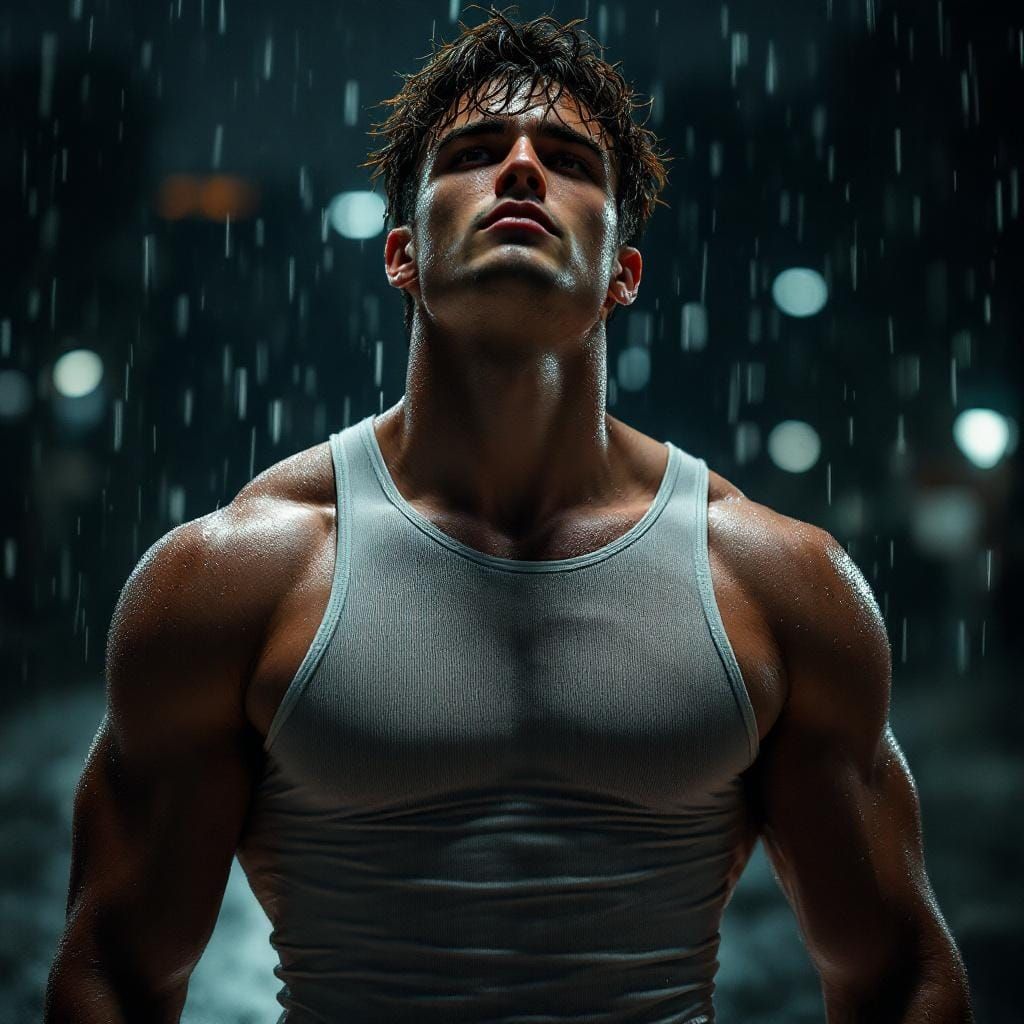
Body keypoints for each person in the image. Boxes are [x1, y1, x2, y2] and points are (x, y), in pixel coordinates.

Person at [45, 8, 973, 1023]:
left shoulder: (777, 583)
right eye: (474, 153)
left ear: (622, 273)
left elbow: (902, 976)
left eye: (569, 160)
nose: (522, 168)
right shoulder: (234, 576)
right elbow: (113, 976)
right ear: (403, 254)